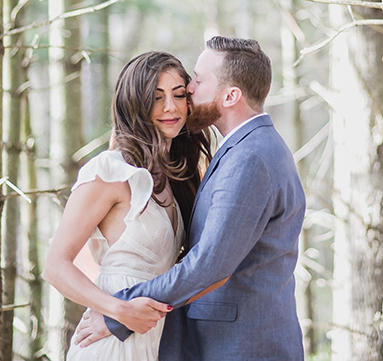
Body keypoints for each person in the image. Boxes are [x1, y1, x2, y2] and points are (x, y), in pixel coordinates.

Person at [73, 36, 306, 360]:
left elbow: (209, 266)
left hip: (243, 346)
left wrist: (120, 312)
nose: (190, 89)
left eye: (198, 79)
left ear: (230, 95)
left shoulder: (249, 158)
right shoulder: (246, 150)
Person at [43, 51, 212, 361]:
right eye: (157, 97)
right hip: (111, 341)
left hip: (157, 338)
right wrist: (116, 311)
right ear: (135, 104)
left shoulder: (178, 180)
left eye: (178, 95)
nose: (171, 107)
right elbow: (56, 266)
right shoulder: (109, 172)